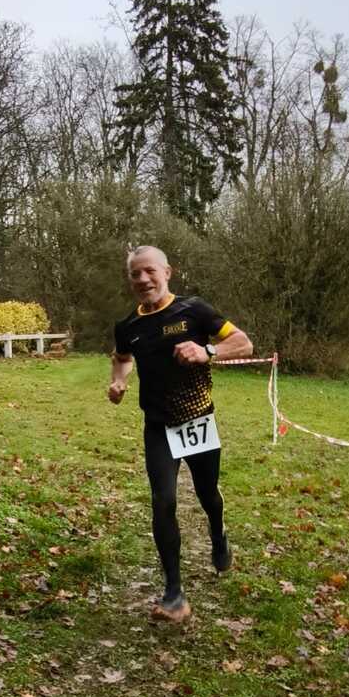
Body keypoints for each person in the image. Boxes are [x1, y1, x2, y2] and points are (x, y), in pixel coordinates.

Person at [108, 245, 254, 622]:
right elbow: (121, 358)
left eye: (150, 271)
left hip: (197, 421)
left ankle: (218, 536)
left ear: (167, 272)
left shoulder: (194, 310)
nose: (143, 279)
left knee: (208, 495)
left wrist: (208, 351)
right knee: (163, 501)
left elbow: (243, 342)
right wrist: (119, 382)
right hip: (157, 425)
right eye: (135, 274)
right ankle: (174, 593)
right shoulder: (128, 326)